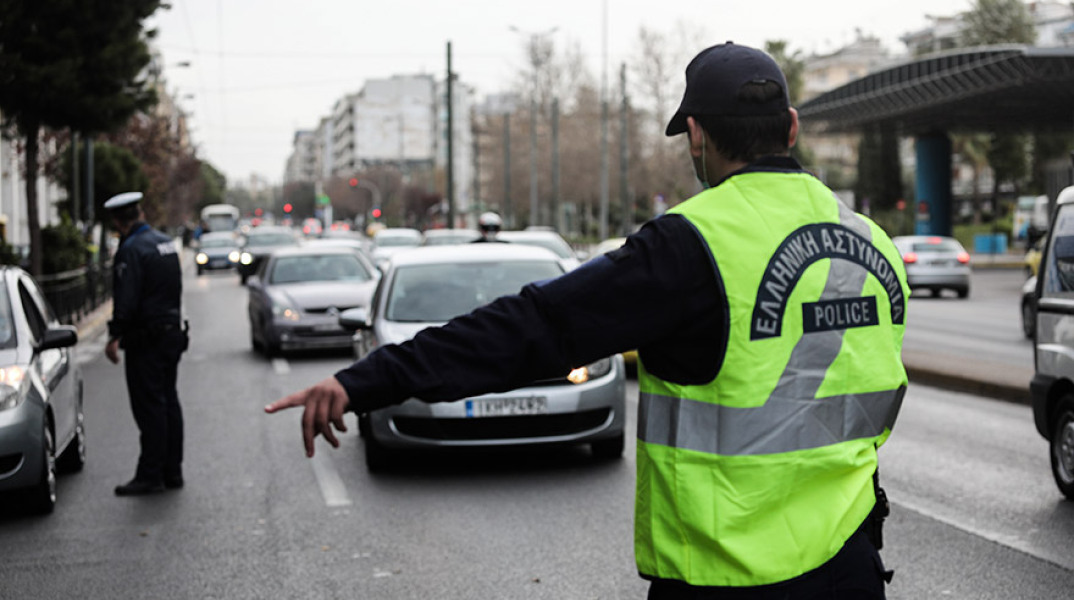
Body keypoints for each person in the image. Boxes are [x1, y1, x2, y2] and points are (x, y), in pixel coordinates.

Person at [266, 42, 909, 598]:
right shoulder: (875, 244)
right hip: (851, 568)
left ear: (695, 136)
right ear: (791, 128)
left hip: (730, 577)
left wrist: (365, 381)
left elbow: (532, 329)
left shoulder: (691, 245)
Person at [104, 192, 189, 497]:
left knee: (150, 408)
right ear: (139, 213)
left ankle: (151, 474)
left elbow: (126, 299)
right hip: (171, 334)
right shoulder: (164, 242)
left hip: (146, 340)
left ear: (117, 221)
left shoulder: (131, 249)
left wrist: (115, 335)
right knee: (169, 402)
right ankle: (172, 471)